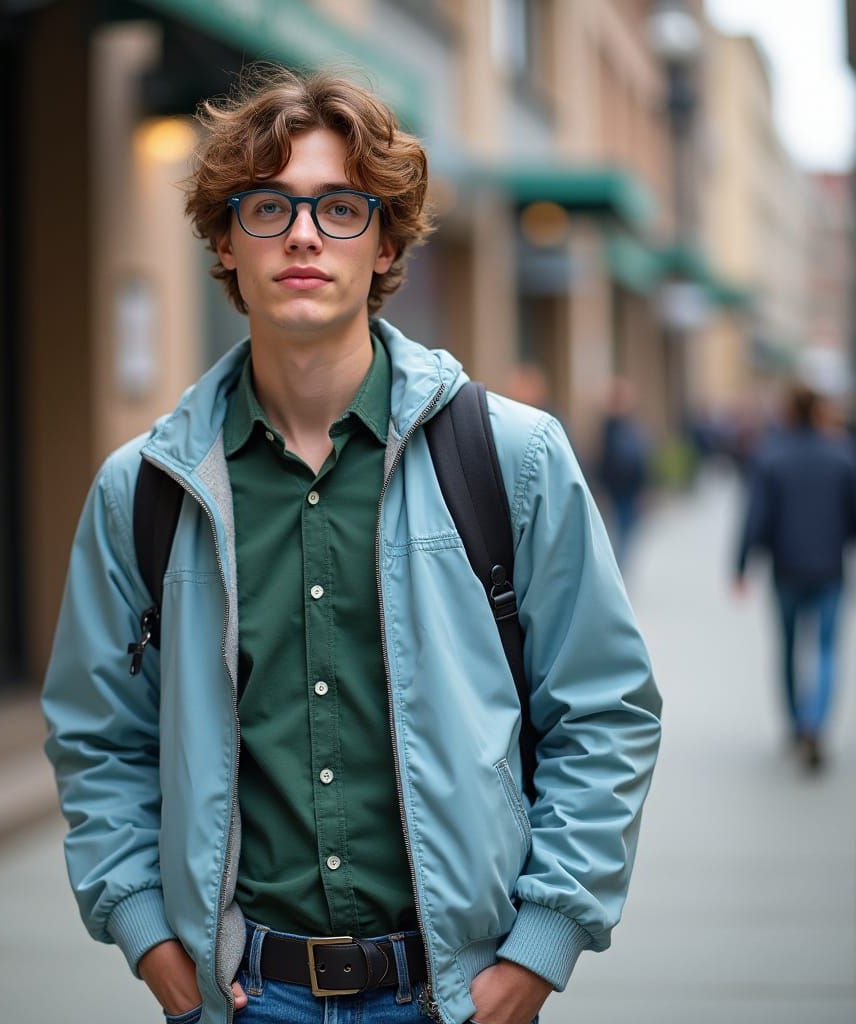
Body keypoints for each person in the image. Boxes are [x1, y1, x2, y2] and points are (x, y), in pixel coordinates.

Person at [41, 65, 662, 1024]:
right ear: (223, 240)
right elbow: (100, 735)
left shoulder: (512, 457)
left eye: (339, 207)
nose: (301, 234)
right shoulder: (145, 490)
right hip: (248, 997)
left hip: (454, 994)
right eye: (267, 207)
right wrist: (146, 933)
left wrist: (540, 949)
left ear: (383, 244)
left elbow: (605, 710)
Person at [735, 384, 856, 772]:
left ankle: (794, 724)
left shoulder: (772, 458)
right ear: (820, 413)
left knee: (788, 648)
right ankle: (814, 723)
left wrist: (740, 566)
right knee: (823, 649)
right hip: (829, 570)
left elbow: (756, 517)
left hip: (785, 570)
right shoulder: (841, 458)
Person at [596, 377, 650, 568]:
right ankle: (615, 573)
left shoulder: (629, 425)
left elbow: (641, 460)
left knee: (626, 533)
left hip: (630, 491)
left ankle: (617, 572)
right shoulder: (609, 427)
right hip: (616, 491)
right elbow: (602, 461)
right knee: (619, 534)